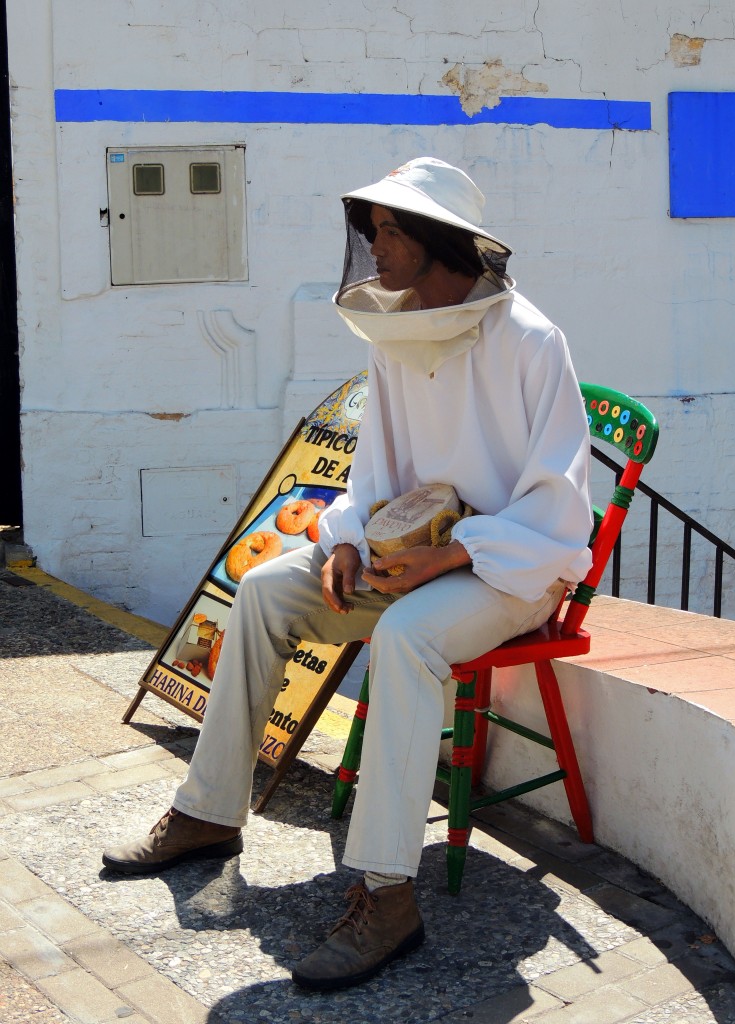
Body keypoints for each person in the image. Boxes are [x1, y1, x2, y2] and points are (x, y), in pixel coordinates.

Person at [103, 157, 593, 991]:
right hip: (413, 556)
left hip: (513, 566)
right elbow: (375, 474)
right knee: (264, 590)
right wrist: (342, 541)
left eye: (392, 231)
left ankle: (387, 895)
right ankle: (208, 812)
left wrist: (453, 553)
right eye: (372, 232)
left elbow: (559, 505)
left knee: (405, 638)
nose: (376, 248)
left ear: (437, 240)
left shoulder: (533, 341)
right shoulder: (398, 334)